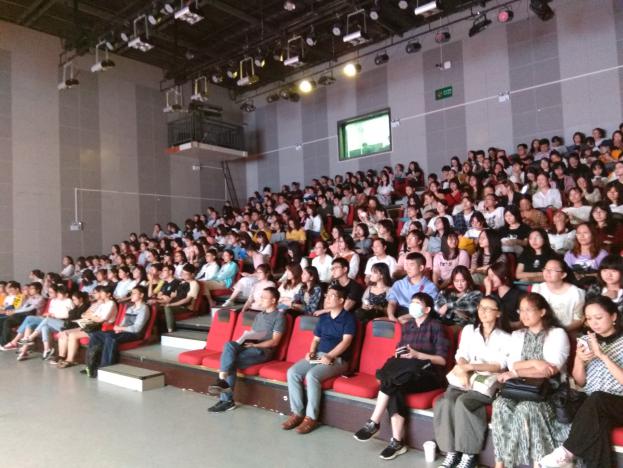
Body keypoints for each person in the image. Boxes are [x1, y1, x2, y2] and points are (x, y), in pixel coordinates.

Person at [352, 292, 448, 460]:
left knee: (391, 381)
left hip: (429, 374)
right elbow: (399, 352)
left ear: (427, 309)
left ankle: (374, 422)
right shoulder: (408, 326)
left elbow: (442, 360)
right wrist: (399, 354)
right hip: (406, 373)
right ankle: (397, 441)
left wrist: (418, 355)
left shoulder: (436, 326)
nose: (413, 305)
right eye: (412, 302)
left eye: (417, 303)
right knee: (395, 384)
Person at [539, 296, 623, 468]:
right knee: (599, 426)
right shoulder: (586, 340)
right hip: (596, 406)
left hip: (617, 403)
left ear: (613, 316)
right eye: (589, 319)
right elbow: (580, 381)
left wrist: (602, 356)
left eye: (598, 317)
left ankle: (567, 451)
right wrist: (579, 359)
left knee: (597, 399)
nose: (594, 323)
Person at [491, 292, 570, 468]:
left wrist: (517, 372)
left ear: (542, 312)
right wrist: (535, 363)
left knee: (526, 408)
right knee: (500, 405)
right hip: (520, 389)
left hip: (549, 393)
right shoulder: (517, 335)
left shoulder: (557, 334)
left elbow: (549, 371)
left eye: (529, 310)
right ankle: (500, 463)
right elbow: (513, 364)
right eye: (521, 310)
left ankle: (537, 463)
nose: (523, 315)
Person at [434, 295, 511, 468]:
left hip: (487, 382)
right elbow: (461, 354)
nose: (483, 312)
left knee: (464, 402)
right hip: (465, 377)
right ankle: (451, 452)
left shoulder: (506, 337)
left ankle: (469, 454)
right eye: (481, 307)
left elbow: (499, 365)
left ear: (498, 313)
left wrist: (470, 367)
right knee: (446, 401)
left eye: (488, 309)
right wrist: (463, 369)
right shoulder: (469, 330)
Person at [283, 285, 356, 434]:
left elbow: (346, 342)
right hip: (320, 355)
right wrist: (311, 353)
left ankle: (311, 417)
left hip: (338, 359)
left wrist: (330, 356)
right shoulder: (323, 318)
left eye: (331, 296)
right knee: (292, 372)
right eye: (326, 295)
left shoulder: (348, 319)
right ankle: (297, 413)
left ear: (341, 300)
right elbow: (316, 340)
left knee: (312, 376)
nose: (327, 298)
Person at [207, 287, 286, 412]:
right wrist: (244, 340)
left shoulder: (279, 317)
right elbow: (253, 334)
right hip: (250, 345)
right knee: (229, 345)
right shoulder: (259, 315)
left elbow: (274, 341)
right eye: (261, 297)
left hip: (263, 351)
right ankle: (223, 384)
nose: (261, 299)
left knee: (230, 362)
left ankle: (226, 397)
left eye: (264, 297)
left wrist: (255, 345)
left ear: (273, 300)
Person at [83, 286, 151, 378]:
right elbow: (123, 323)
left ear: (141, 295)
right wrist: (118, 328)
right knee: (96, 335)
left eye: (134, 293)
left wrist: (120, 328)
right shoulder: (130, 308)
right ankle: (91, 365)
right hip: (123, 331)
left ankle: (105, 368)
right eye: (131, 293)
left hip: (134, 334)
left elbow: (137, 328)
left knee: (110, 338)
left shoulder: (144, 309)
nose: (131, 295)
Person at [54, 287, 116, 368]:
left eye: (102, 292)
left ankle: (70, 360)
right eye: (100, 292)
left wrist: (92, 317)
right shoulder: (103, 304)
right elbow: (88, 315)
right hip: (92, 325)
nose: (100, 294)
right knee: (64, 333)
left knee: (72, 335)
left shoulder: (111, 304)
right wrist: (93, 317)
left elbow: (101, 319)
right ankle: (62, 357)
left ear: (108, 294)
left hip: (101, 328)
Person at [531, 258, 585, 331]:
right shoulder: (537, 289)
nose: (547, 272)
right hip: (541, 331)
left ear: (563, 275)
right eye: (545, 268)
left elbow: (579, 319)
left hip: (566, 331)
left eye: (553, 270)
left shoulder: (576, 293)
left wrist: (561, 331)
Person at [386, 252, 438, 321]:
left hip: (418, 317)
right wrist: (391, 316)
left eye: (411, 265)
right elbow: (392, 303)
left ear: (421, 268)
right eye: (406, 265)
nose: (407, 268)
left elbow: (426, 309)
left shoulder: (430, 287)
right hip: (398, 314)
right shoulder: (399, 284)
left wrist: (404, 318)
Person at [0, 282, 45, 349]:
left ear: (38, 290)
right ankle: (3, 342)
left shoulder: (40, 299)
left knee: (7, 321)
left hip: (32, 316)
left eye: (31, 288)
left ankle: (6, 343)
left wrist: (14, 311)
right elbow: (23, 307)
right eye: (29, 288)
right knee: (2, 320)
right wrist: (13, 311)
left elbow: (29, 308)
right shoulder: (30, 298)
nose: (29, 290)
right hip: (23, 315)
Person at [484, 262, 523, 329]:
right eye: (488, 276)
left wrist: (505, 325)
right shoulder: (490, 294)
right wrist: (488, 290)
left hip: (511, 330)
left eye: (493, 275)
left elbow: (523, 322)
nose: (490, 279)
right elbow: (484, 314)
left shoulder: (518, 295)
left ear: (503, 276)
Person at [163, 264, 199, 333]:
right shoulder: (182, 282)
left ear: (192, 274)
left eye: (186, 274)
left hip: (185, 306)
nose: (183, 275)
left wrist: (171, 305)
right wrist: (165, 301)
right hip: (177, 302)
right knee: (159, 307)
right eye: (182, 273)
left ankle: (170, 330)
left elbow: (187, 300)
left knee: (168, 308)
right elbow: (174, 295)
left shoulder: (194, 284)